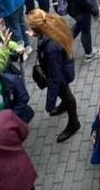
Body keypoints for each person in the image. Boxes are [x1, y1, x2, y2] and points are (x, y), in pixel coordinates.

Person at [26, 9, 80, 141]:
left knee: (67, 96)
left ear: (38, 28)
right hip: (61, 67)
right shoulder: (52, 25)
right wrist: (37, 34)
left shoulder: (51, 49)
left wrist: (50, 103)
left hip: (60, 73)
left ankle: (74, 123)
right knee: (64, 94)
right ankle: (63, 106)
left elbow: (54, 79)